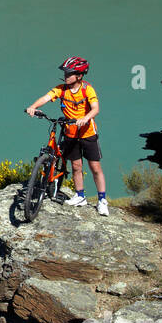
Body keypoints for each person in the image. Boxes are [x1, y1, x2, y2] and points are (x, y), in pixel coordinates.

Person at [25, 56, 108, 215]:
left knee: (95, 167)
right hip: (70, 133)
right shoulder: (61, 89)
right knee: (76, 166)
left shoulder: (87, 89)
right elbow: (46, 97)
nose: (66, 76)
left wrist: (85, 118)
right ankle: (80, 196)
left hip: (87, 133)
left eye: (69, 73)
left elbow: (95, 108)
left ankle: (102, 200)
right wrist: (33, 106)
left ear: (79, 75)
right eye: (65, 73)